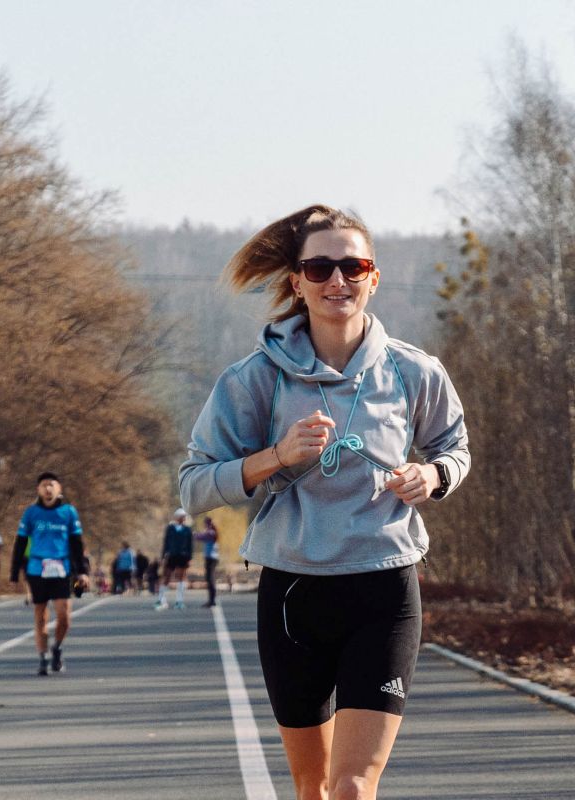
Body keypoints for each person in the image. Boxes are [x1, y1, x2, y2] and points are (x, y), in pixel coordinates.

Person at [179, 205, 469, 800]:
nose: (338, 280)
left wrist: (432, 474)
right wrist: (276, 455)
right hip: (294, 593)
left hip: (384, 587)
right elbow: (194, 486)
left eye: (352, 267)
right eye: (320, 268)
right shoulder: (255, 379)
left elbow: (454, 449)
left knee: (354, 787)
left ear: (373, 277)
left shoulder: (414, 371)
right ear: (298, 282)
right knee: (312, 789)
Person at [9, 471, 90, 676]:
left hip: (62, 569)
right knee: (40, 616)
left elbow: (77, 543)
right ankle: (43, 657)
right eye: (44, 485)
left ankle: (57, 647)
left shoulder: (68, 512)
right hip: (37, 569)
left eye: (51, 485)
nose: (48, 489)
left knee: (64, 616)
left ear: (58, 488)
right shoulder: (31, 513)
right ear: (38, 489)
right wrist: (14, 573)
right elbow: (20, 543)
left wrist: (82, 571)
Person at [155, 509, 193, 610]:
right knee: (166, 577)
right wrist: (163, 556)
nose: (182, 518)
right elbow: (166, 543)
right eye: (181, 516)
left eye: (184, 516)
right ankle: (161, 599)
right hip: (171, 555)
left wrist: (189, 558)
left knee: (181, 578)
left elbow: (190, 545)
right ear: (176, 517)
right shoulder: (170, 528)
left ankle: (179, 601)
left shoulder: (188, 529)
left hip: (183, 556)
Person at [194, 517, 220, 607]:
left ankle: (212, 600)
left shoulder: (210, 533)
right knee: (209, 579)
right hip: (211, 558)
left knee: (210, 579)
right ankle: (211, 600)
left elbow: (200, 537)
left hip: (211, 559)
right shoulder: (211, 532)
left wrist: (194, 533)